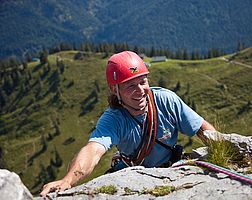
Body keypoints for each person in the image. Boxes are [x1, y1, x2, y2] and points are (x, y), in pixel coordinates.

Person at [40, 51, 216, 197]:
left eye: (143, 82)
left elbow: (201, 128)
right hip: (133, 176)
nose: (140, 91)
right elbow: (93, 150)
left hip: (171, 169)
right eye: (130, 86)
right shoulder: (113, 119)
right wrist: (68, 180)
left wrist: (225, 150)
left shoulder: (165, 100)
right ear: (115, 91)